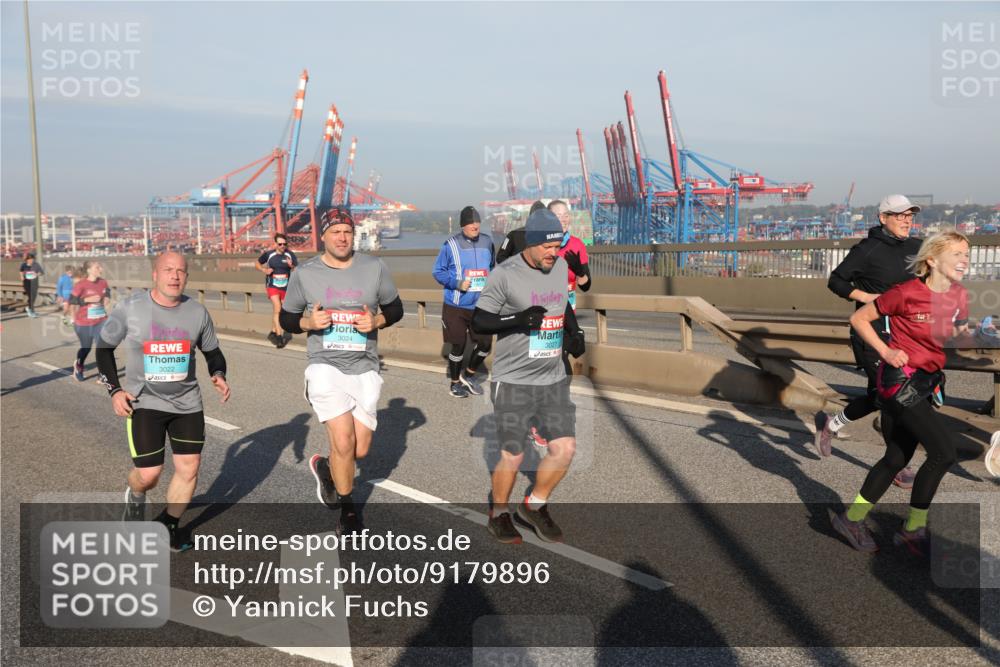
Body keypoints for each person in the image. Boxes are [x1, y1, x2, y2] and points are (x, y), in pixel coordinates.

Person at [829, 229, 971, 556]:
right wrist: (886, 350)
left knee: (896, 458)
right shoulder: (905, 293)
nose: (964, 260)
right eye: (956, 254)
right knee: (944, 453)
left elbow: (959, 335)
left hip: (926, 382)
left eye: (966, 254)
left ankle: (851, 519)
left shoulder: (960, 294)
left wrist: (982, 335)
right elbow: (859, 318)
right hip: (898, 381)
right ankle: (912, 529)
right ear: (932, 260)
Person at [279, 208, 404, 535]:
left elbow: (396, 308)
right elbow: (286, 318)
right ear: (323, 236)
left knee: (359, 450)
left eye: (347, 231)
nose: (342, 237)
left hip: (364, 367)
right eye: (335, 231)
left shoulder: (374, 268)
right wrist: (309, 323)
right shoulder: (305, 273)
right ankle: (349, 513)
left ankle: (327, 467)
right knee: (344, 441)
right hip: (325, 366)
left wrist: (377, 321)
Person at [96, 251, 231, 551]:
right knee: (149, 475)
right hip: (143, 402)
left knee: (189, 467)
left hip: (187, 403)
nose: (175, 276)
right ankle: (135, 496)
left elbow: (212, 352)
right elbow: (103, 349)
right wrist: (115, 390)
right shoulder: (130, 308)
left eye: (181, 271)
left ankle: (169, 525)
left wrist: (218, 373)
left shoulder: (197, 312)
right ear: (155, 275)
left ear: (187, 277)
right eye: (168, 270)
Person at [472, 209, 585, 544]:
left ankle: (533, 506)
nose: (554, 252)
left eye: (558, 246)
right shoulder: (504, 274)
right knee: (515, 453)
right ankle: (499, 513)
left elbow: (562, 304)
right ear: (531, 243)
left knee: (565, 448)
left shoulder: (560, 267)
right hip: (514, 380)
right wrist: (518, 320)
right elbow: (480, 321)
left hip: (552, 378)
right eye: (547, 246)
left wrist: (575, 332)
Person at [816, 194, 924, 489]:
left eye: (910, 215)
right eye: (899, 215)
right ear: (883, 218)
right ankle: (898, 465)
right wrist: (867, 298)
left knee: (881, 396)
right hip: (872, 333)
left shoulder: (918, 247)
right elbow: (836, 280)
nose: (906, 220)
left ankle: (832, 424)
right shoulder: (867, 249)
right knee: (892, 398)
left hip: (906, 333)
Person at [432, 205, 495, 398]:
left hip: (481, 306)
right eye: (471, 223)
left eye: (477, 222)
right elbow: (438, 272)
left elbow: (493, 267)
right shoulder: (450, 245)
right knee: (458, 346)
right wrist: (457, 283)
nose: (475, 226)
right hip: (456, 306)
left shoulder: (487, 242)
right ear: (463, 225)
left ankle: (469, 375)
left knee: (485, 344)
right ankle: (455, 383)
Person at [68, 261, 111, 382]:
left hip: (101, 319)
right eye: (97, 267)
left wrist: (107, 298)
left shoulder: (103, 282)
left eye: (100, 267)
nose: (101, 269)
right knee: (86, 348)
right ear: (89, 270)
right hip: (84, 322)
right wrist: (86, 300)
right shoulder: (81, 285)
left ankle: (102, 374)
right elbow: (72, 301)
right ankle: (79, 365)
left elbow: (107, 292)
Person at [257, 233, 298, 348]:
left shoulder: (290, 254)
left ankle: (272, 332)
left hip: (285, 288)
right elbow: (257, 263)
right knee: (278, 309)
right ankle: (279, 337)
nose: (282, 246)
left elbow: (296, 269)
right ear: (275, 244)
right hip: (272, 286)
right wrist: (264, 270)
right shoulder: (269, 254)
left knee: (283, 311)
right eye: (280, 244)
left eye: (284, 244)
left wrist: (292, 266)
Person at [19, 253, 45, 318]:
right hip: (26, 282)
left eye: (32, 259)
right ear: (27, 259)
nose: (31, 260)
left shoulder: (36, 265)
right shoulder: (24, 265)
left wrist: (36, 274)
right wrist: (21, 276)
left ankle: (29, 308)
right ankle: (31, 311)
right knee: (31, 296)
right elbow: (21, 271)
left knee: (33, 297)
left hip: (34, 282)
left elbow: (42, 272)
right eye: (29, 259)